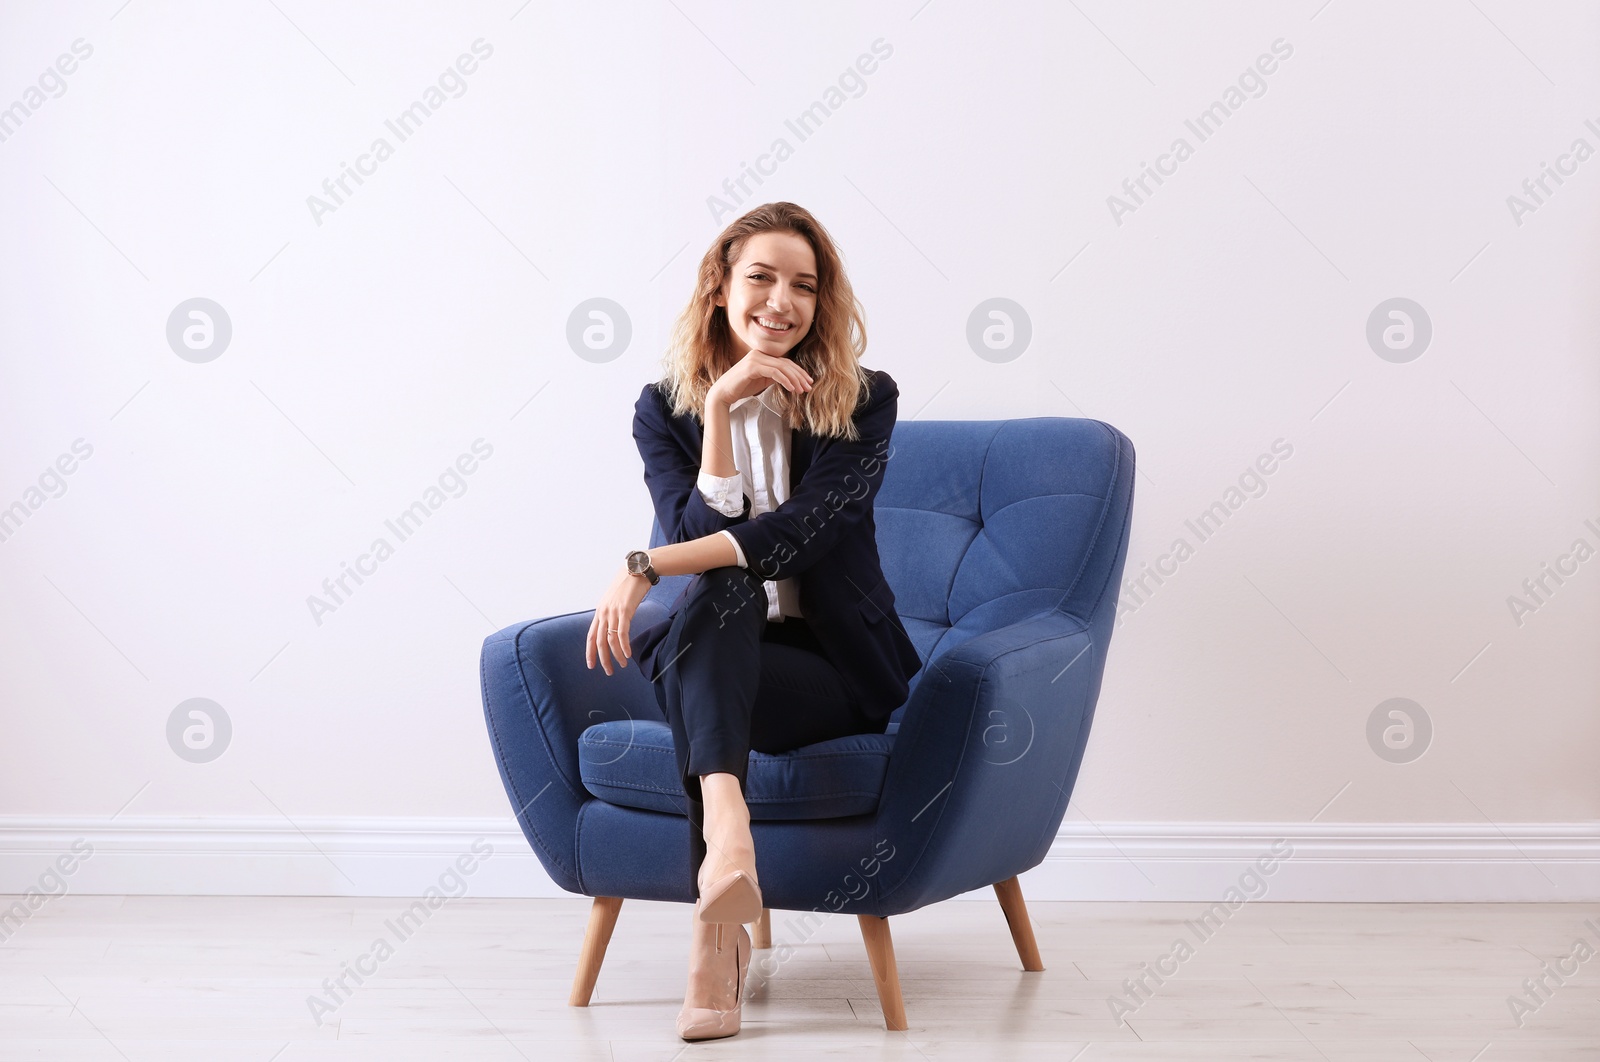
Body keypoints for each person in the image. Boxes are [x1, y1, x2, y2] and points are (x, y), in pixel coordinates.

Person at [582, 202, 922, 1040]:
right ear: (720, 289)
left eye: (804, 286)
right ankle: (728, 842)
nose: (782, 301)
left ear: (823, 303)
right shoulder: (663, 408)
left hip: (826, 669)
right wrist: (723, 416)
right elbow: (705, 536)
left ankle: (714, 940)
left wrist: (642, 565)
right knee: (721, 605)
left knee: (726, 595)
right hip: (710, 653)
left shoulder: (863, 402)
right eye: (761, 278)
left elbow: (790, 538)